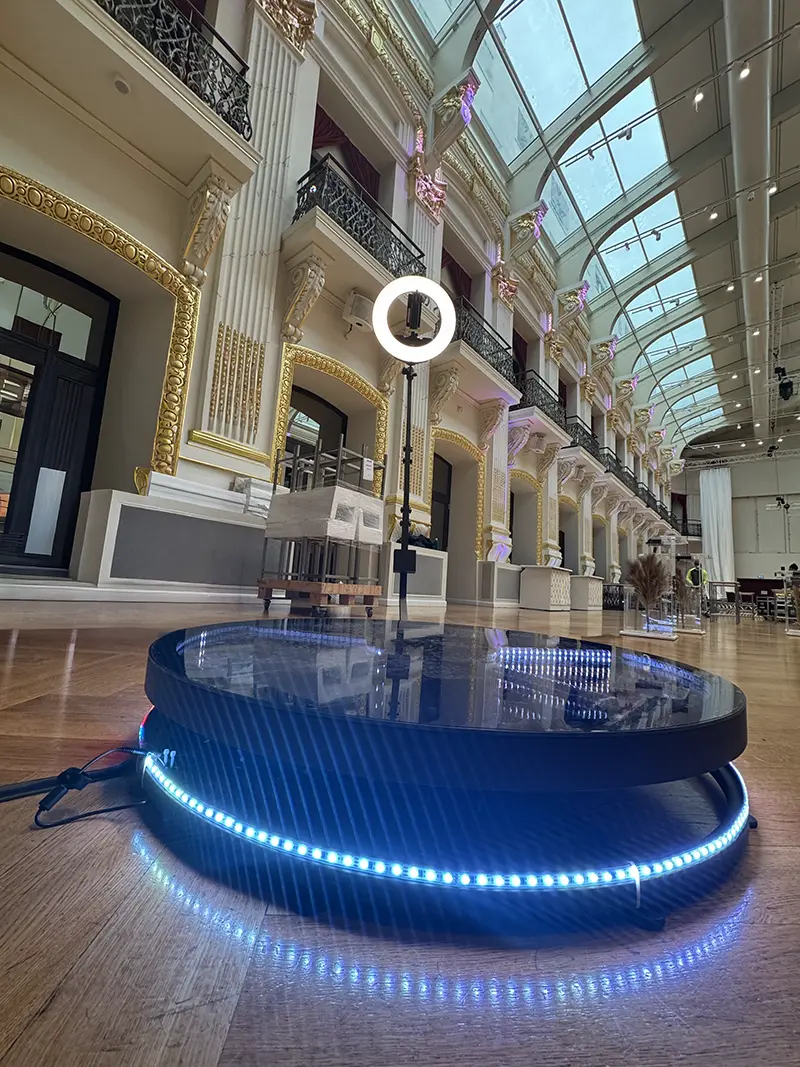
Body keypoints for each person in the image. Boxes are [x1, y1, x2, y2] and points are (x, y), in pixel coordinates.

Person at [789, 564, 800, 628]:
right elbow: (792, 585)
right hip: (795, 590)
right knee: (797, 606)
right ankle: (798, 621)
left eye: (790, 569)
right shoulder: (793, 576)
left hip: (797, 589)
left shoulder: (797, 574)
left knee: (798, 606)